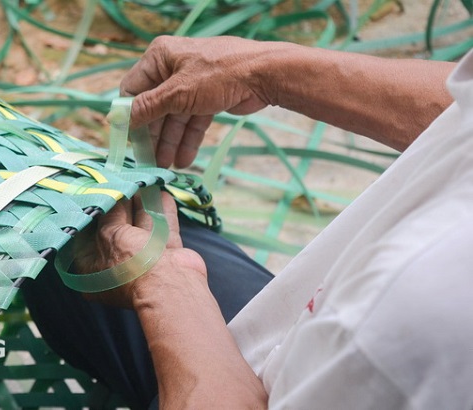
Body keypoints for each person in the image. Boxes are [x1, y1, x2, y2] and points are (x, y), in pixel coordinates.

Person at [23, 36, 473, 409]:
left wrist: (161, 286)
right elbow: (461, 108)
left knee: (63, 247)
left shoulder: (414, 316)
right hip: (313, 333)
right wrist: (260, 68)